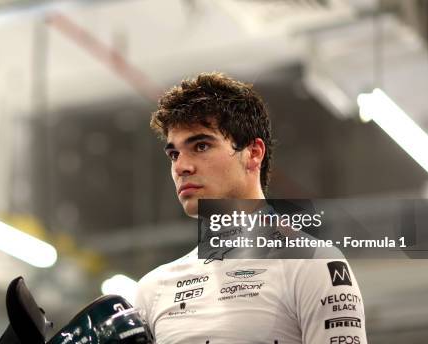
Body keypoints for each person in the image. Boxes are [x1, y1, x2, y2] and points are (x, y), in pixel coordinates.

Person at [134, 72, 367, 343]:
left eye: (200, 145)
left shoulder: (313, 263)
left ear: (254, 153)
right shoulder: (152, 290)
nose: (181, 166)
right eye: (174, 153)